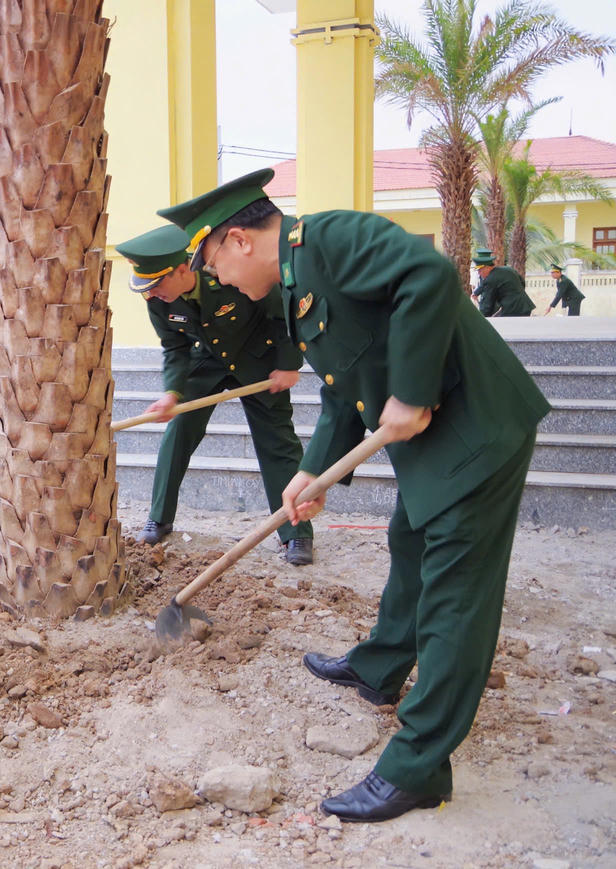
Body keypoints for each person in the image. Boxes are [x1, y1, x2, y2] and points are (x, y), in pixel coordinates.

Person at [160, 169, 549, 823]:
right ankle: (379, 667)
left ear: (237, 241)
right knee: (408, 539)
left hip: (477, 430)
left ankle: (417, 768)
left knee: (454, 599)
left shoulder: (333, 239)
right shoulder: (293, 284)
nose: (219, 282)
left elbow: (428, 275)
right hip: (434, 443)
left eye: (213, 265)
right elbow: (343, 383)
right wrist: (314, 473)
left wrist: (413, 389)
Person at [114, 224, 314, 563]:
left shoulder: (228, 275)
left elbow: (281, 314)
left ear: (182, 270)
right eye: (147, 287)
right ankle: (159, 518)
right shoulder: (158, 301)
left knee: (278, 443)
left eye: (158, 283)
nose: (153, 293)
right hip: (206, 361)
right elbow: (175, 347)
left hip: (259, 362)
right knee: (178, 430)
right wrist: (173, 393)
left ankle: (296, 534)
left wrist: (288, 364)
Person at [472, 249, 534, 317]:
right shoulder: (508, 269)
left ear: (487, 267)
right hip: (525, 305)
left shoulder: (490, 279)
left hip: (513, 310)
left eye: (480, 270)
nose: (479, 273)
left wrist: (482, 319)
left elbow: (487, 305)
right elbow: (522, 282)